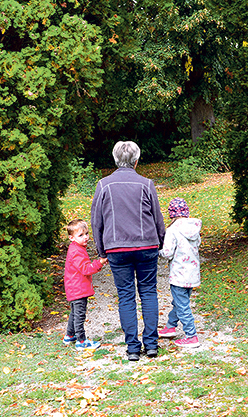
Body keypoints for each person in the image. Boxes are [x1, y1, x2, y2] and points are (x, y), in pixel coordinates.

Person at [91, 141, 166, 361]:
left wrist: (101, 250)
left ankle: (133, 348)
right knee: (149, 292)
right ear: (136, 160)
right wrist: (160, 242)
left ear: (115, 159)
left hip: (116, 247)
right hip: (146, 245)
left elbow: (97, 222)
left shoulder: (103, 185)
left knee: (126, 296)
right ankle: (151, 345)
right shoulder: (146, 184)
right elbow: (157, 218)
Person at [158, 198, 202, 348]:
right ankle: (170, 326)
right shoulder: (194, 228)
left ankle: (191, 336)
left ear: (171, 213)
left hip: (179, 275)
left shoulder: (172, 230)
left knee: (182, 306)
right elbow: (198, 244)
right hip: (192, 274)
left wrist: (159, 252)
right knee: (179, 302)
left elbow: (168, 252)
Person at [63, 219, 107, 351]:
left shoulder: (77, 248)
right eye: (80, 235)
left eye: (86, 233)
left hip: (75, 287)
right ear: (71, 238)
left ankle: (70, 335)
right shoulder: (76, 251)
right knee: (79, 315)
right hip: (78, 289)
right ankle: (81, 341)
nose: (85, 237)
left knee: (74, 313)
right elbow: (86, 269)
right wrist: (100, 263)